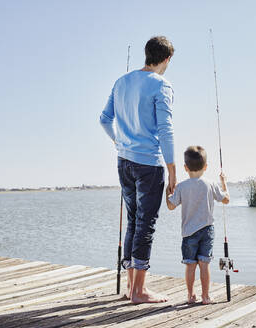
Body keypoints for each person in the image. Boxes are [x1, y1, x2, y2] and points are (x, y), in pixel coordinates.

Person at [100, 36, 176, 304]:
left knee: (133, 220)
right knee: (146, 224)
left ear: (147, 55)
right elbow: (165, 130)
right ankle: (139, 292)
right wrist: (173, 171)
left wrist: (118, 141)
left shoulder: (121, 82)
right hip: (149, 165)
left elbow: (104, 119)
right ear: (166, 59)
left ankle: (131, 286)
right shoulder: (161, 85)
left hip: (124, 161)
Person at [165, 146, 230, 304]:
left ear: (185, 168)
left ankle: (190, 296)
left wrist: (168, 189)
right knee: (204, 264)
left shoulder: (181, 186)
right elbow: (226, 199)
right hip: (207, 231)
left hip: (188, 233)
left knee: (190, 265)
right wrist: (224, 182)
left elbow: (171, 206)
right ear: (206, 167)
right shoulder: (211, 184)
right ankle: (206, 297)